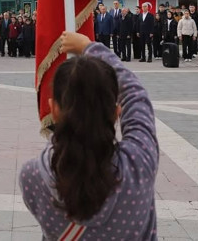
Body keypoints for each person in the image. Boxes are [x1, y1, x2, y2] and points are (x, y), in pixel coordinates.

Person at [19, 30, 158, 240]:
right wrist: (89, 47)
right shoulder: (139, 162)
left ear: (53, 110)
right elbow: (135, 93)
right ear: (116, 113)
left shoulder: (32, 176)